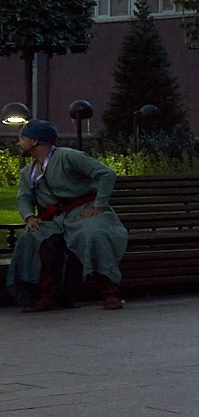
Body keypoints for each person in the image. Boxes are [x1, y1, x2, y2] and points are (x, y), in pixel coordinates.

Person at [10, 120, 127, 312]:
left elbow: (106, 174)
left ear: (34, 141)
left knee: (93, 233)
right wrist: (30, 218)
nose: (18, 142)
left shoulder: (68, 157)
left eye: (22, 138)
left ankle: (110, 292)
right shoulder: (28, 172)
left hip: (82, 211)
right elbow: (24, 197)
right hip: (55, 219)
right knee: (32, 238)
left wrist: (99, 205)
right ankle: (46, 296)